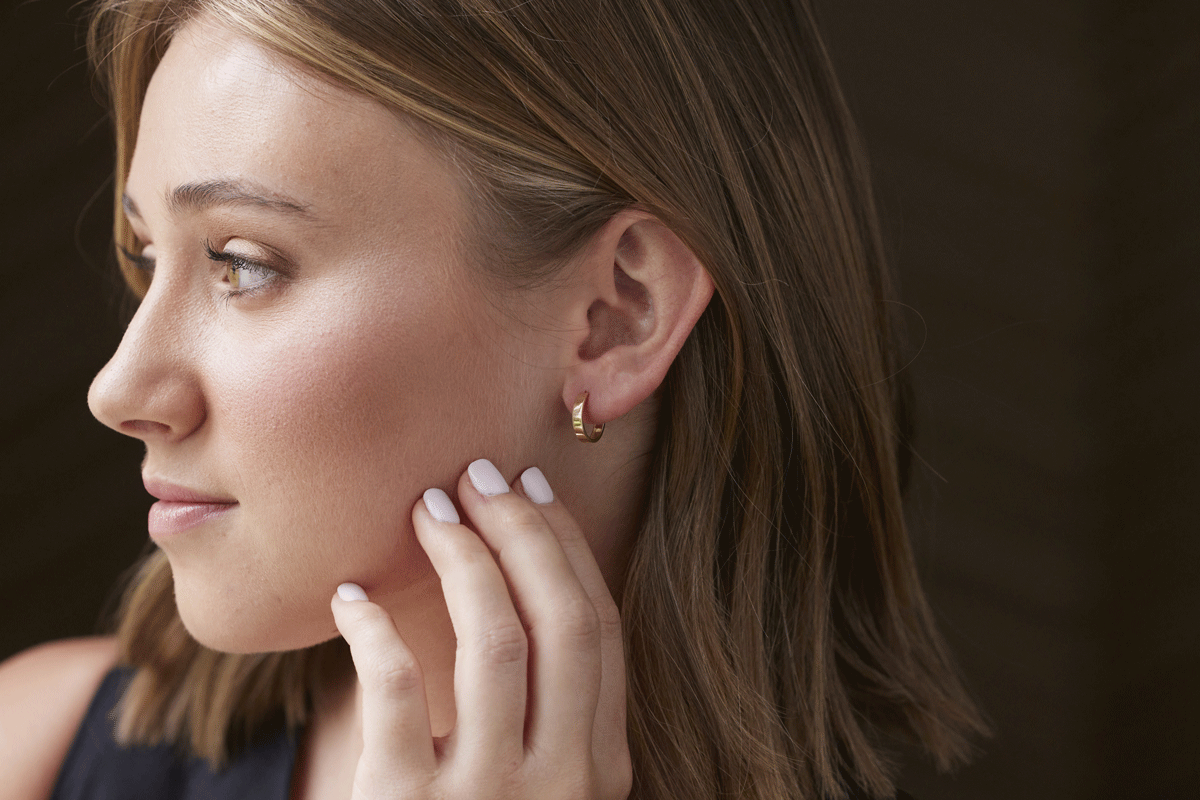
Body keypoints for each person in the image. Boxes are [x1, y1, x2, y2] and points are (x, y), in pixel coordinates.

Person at [0, 0, 987, 797]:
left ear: (616, 314)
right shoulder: (36, 747)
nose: (119, 389)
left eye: (244, 264)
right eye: (144, 254)